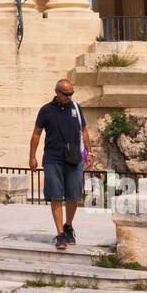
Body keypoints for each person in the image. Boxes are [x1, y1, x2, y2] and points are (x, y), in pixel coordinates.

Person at [29, 78, 90, 250]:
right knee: (56, 195)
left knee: (74, 196)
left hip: (74, 158)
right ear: (57, 92)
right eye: (66, 94)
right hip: (53, 158)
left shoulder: (76, 109)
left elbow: (84, 131)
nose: (69, 97)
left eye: (71, 93)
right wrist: (32, 156)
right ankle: (59, 233)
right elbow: (36, 134)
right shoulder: (46, 110)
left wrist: (89, 152)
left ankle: (68, 226)